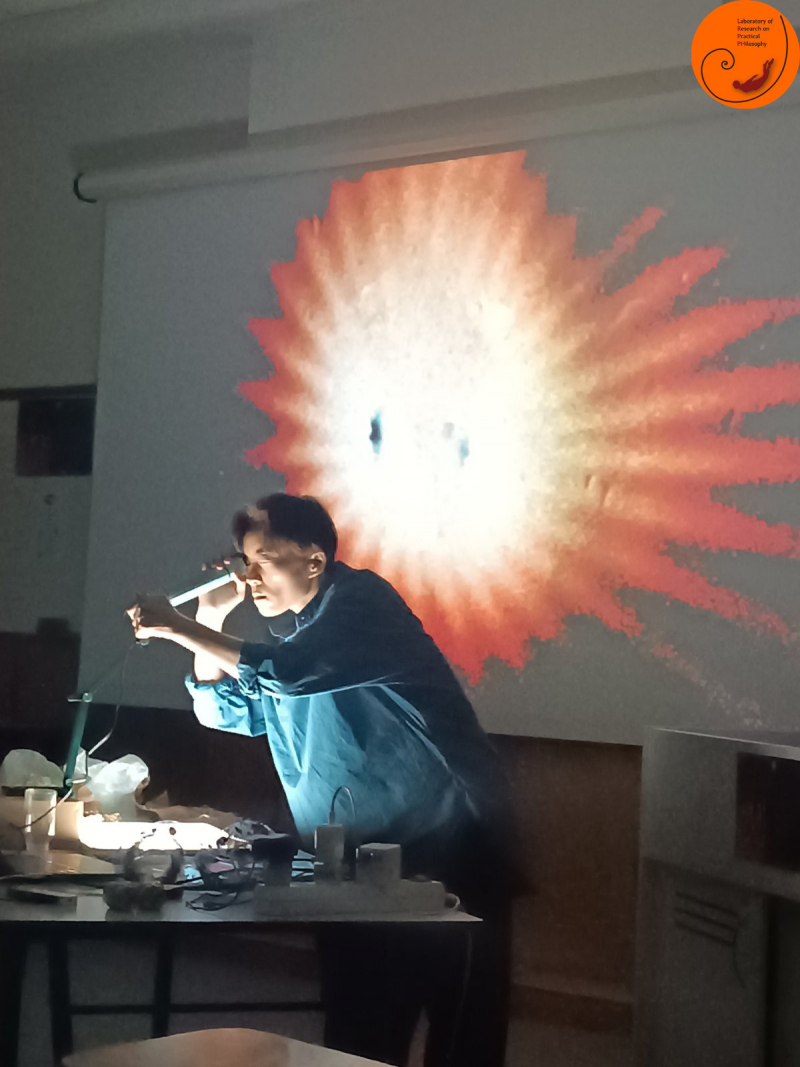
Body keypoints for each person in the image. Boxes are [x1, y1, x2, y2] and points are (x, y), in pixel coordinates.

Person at [127, 492, 519, 1067]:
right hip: (355, 865)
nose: (250, 578)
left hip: (449, 852)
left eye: (264, 561)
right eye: (246, 562)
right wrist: (207, 619)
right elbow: (221, 711)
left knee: (459, 1037)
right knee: (359, 1032)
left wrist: (177, 626)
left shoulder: (364, 606)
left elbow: (288, 675)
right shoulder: (299, 640)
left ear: (315, 561)